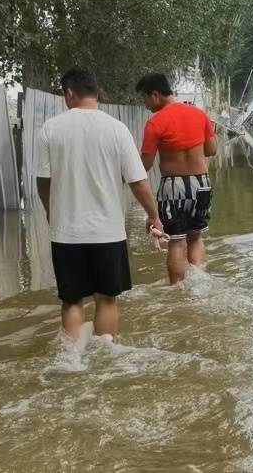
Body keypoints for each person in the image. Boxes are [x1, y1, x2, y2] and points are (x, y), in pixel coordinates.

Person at [36, 67, 163, 340]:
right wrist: (154, 216)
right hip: (107, 233)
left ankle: (72, 360)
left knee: (71, 301)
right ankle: (105, 354)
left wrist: (51, 212)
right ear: (96, 91)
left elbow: (43, 181)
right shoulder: (117, 129)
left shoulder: (50, 129)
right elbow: (139, 183)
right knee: (106, 299)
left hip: (66, 234)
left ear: (69, 93)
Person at [136, 73, 218, 284]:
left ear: (155, 94)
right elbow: (212, 150)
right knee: (196, 237)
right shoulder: (200, 115)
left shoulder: (156, 122)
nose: (146, 104)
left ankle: (177, 294)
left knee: (176, 242)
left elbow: (143, 166)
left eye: (145, 98)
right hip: (201, 183)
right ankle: (200, 287)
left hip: (175, 186)